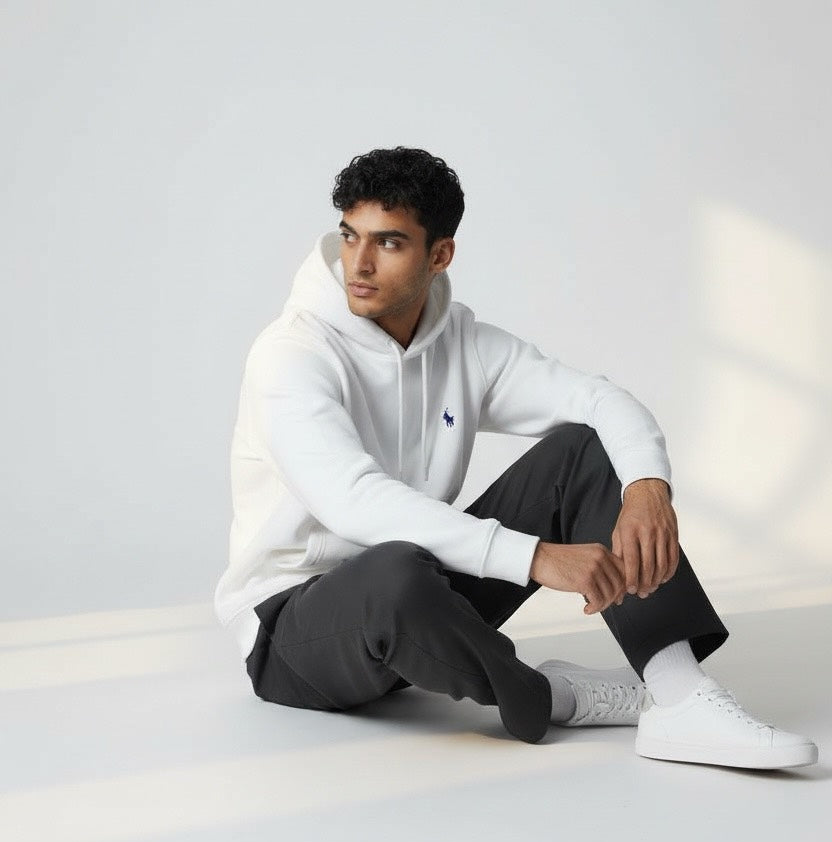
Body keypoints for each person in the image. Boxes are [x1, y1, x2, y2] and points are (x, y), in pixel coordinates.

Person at [214, 147, 817, 769]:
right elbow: (351, 500)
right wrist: (535, 556)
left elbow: (598, 399)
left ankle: (679, 695)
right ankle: (554, 695)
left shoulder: (462, 345)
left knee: (583, 448)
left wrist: (647, 487)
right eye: (349, 236)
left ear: (439, 255)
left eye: (388, 243)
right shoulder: (291, 354)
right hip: (293, 633)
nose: (358, 263)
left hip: (422, 595)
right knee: (394, 571)